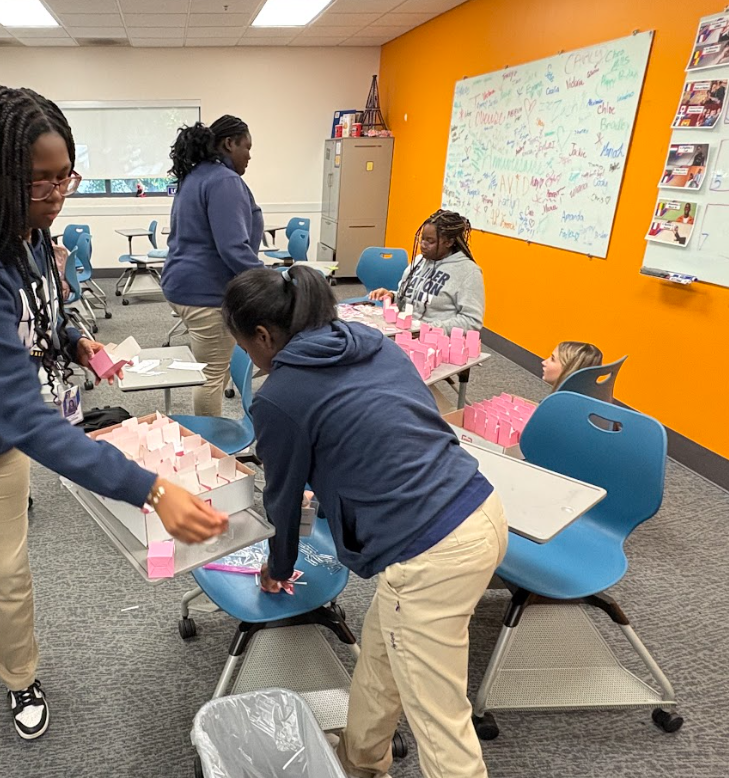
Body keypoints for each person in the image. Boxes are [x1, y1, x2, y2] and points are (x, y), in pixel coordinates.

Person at [0, 86, 227, 740]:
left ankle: (19, 675)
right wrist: (149, 489)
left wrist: (73, 338)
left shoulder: (30, 228)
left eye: (63, 174)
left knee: (7, 569)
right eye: (39, 182)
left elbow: (40, 306)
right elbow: (26, 418)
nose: (57, 193)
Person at [222, 265, 508, 778]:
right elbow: (401, 425)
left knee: (440, 724)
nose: (250, 358)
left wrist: (278, 565)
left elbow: (283, 501)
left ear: (263, 336)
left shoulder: (280, 396)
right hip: (479, 508)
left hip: (431, 553)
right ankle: (360, 763)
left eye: (246, 347)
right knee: (379, 661)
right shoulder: (369, 340)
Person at [160, 115, 263, 416]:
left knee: (208, 371)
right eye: (247, 146)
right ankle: (209, 445)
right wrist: (268, 281)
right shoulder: (224, 180)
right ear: (229, 143)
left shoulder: (195, 176)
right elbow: (233, 248)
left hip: (182, 285)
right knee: (211, 378)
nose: (249, 155)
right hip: (207, 294)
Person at [368, 209, 485, 334]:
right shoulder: (419, 261)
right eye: (422, 239)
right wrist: (392, 296)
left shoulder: (468, 272)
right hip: (405, 332)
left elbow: (472, 321)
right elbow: (410, 300)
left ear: (449, 242)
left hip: (435, 340)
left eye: (430, 241)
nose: (423, 245)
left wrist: (432, 328)